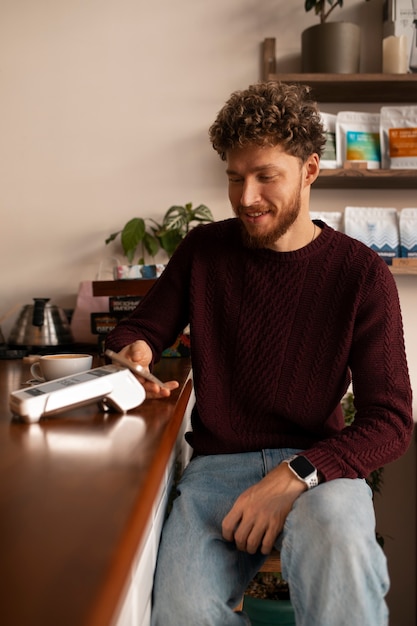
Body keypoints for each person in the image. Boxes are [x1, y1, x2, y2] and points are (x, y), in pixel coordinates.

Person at [105, 82, 413, 626]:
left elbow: (390, 420)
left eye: (266, 176)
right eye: (234, 177)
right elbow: (140, 327)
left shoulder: (361, 273)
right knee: (181, 613)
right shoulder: (204, 250)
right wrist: (136, 349)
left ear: (310, 170)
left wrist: (295, 474)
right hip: (217, 472)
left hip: (319, 472)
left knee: (342, 551)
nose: (246, 197)